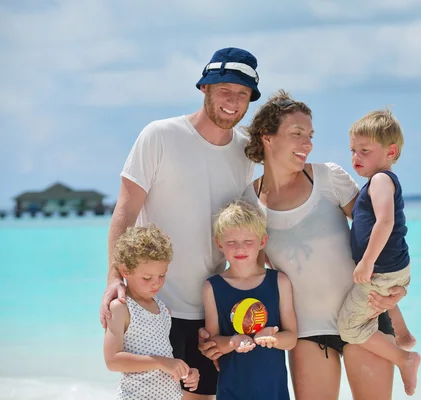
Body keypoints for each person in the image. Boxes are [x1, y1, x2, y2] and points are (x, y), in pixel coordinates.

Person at [199, 90, 409, 400]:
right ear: (267, 138)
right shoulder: (249, 202)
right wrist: (221, 334)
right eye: (297, 134)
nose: (307, 143)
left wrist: (397, 291)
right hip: (308, 334)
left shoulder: (330, 178)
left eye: (309, 135)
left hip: (366, 320)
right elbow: (250, 279)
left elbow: (379, 237)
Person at [100, 47, 260, 400]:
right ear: (204, 88)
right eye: (225, 91)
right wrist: (114, 278)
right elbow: (125, 213)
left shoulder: (245, 151)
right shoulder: (159, 135)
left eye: (243, 94)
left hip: (211, 309)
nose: (233, 101)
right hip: (155, 307)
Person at [337, 109, 421, 396]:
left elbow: (386, 221)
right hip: (393, 268)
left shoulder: (381, 180)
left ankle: (404, 358)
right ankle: (404, 334)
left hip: (381, 268)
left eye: (364, 150)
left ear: (390, 152)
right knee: (379, 298)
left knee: (349, 327)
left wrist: (366, 262)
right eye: (352, 150)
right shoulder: (377, 182)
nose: (355, 157)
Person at [203, 200, 297, 399]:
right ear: (219, 243)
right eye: (231, 243)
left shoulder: (279, 281)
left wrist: (273, 339)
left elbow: (291, 339)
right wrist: (233, 342)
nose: (240, 249)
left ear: (262, 242)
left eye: (248, 241)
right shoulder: (212, 287)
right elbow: (214, 343)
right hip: (232, 391)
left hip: (273, 391)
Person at [104, 224, 200, 400]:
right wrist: (161, 363)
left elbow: (166, 357)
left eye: (162, 275)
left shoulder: (163, 309)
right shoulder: (122, 308)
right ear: (125, 271)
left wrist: (185, 371)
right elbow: (112, 360)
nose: (156, 283)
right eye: (147, 278)